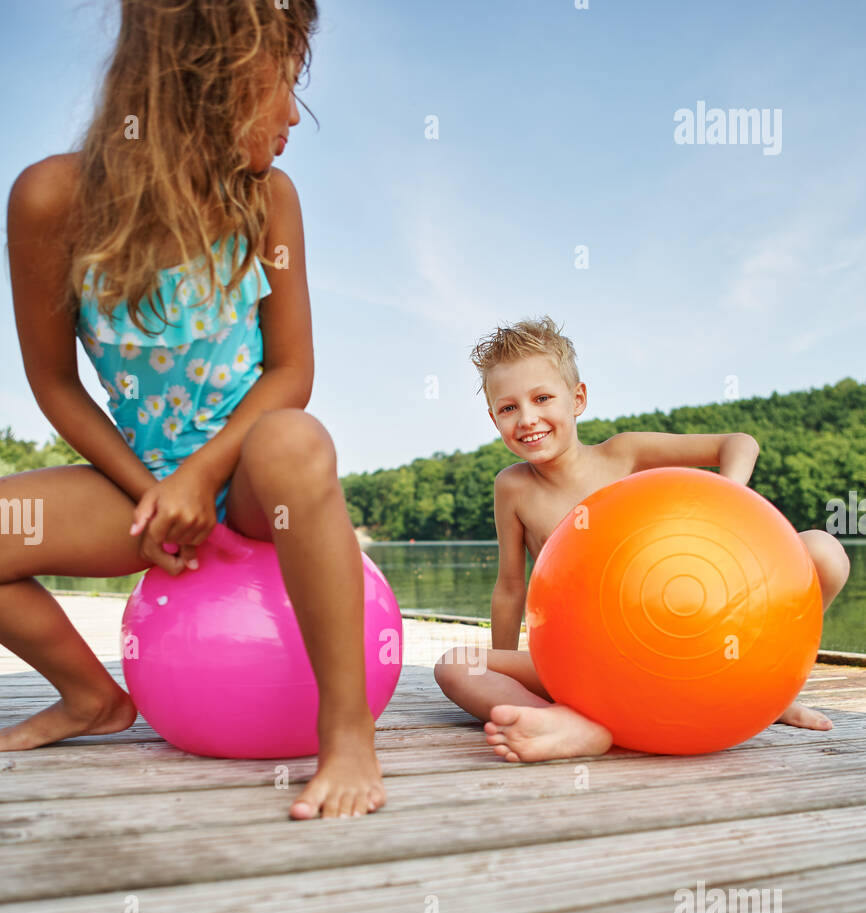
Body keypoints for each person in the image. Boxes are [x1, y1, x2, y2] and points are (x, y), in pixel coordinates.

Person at [2, 0, 385, 818]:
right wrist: (151, 491)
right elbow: (56, 384)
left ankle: (349, 733)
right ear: (203, 85)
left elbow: (292, 370)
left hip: (247, 477)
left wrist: (203, 476)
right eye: (280, 86)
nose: (291, 117)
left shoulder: (270, 199)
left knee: (297, 440)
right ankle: (90, 696)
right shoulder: (49, 200)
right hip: (132, 484)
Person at [434, 316, 850, 763]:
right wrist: (509, 673)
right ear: (493, 416)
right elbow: (511, 587)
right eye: (508, 407)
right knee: (455, 666)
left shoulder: (624, 453)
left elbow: (739, 443)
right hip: (581, 661)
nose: (528, 418)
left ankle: (768, 687)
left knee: (823, 550)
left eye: (542, 398)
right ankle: (568, 725)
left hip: (681, 638)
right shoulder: (512, 486)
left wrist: (728, 503)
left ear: (578, 399)